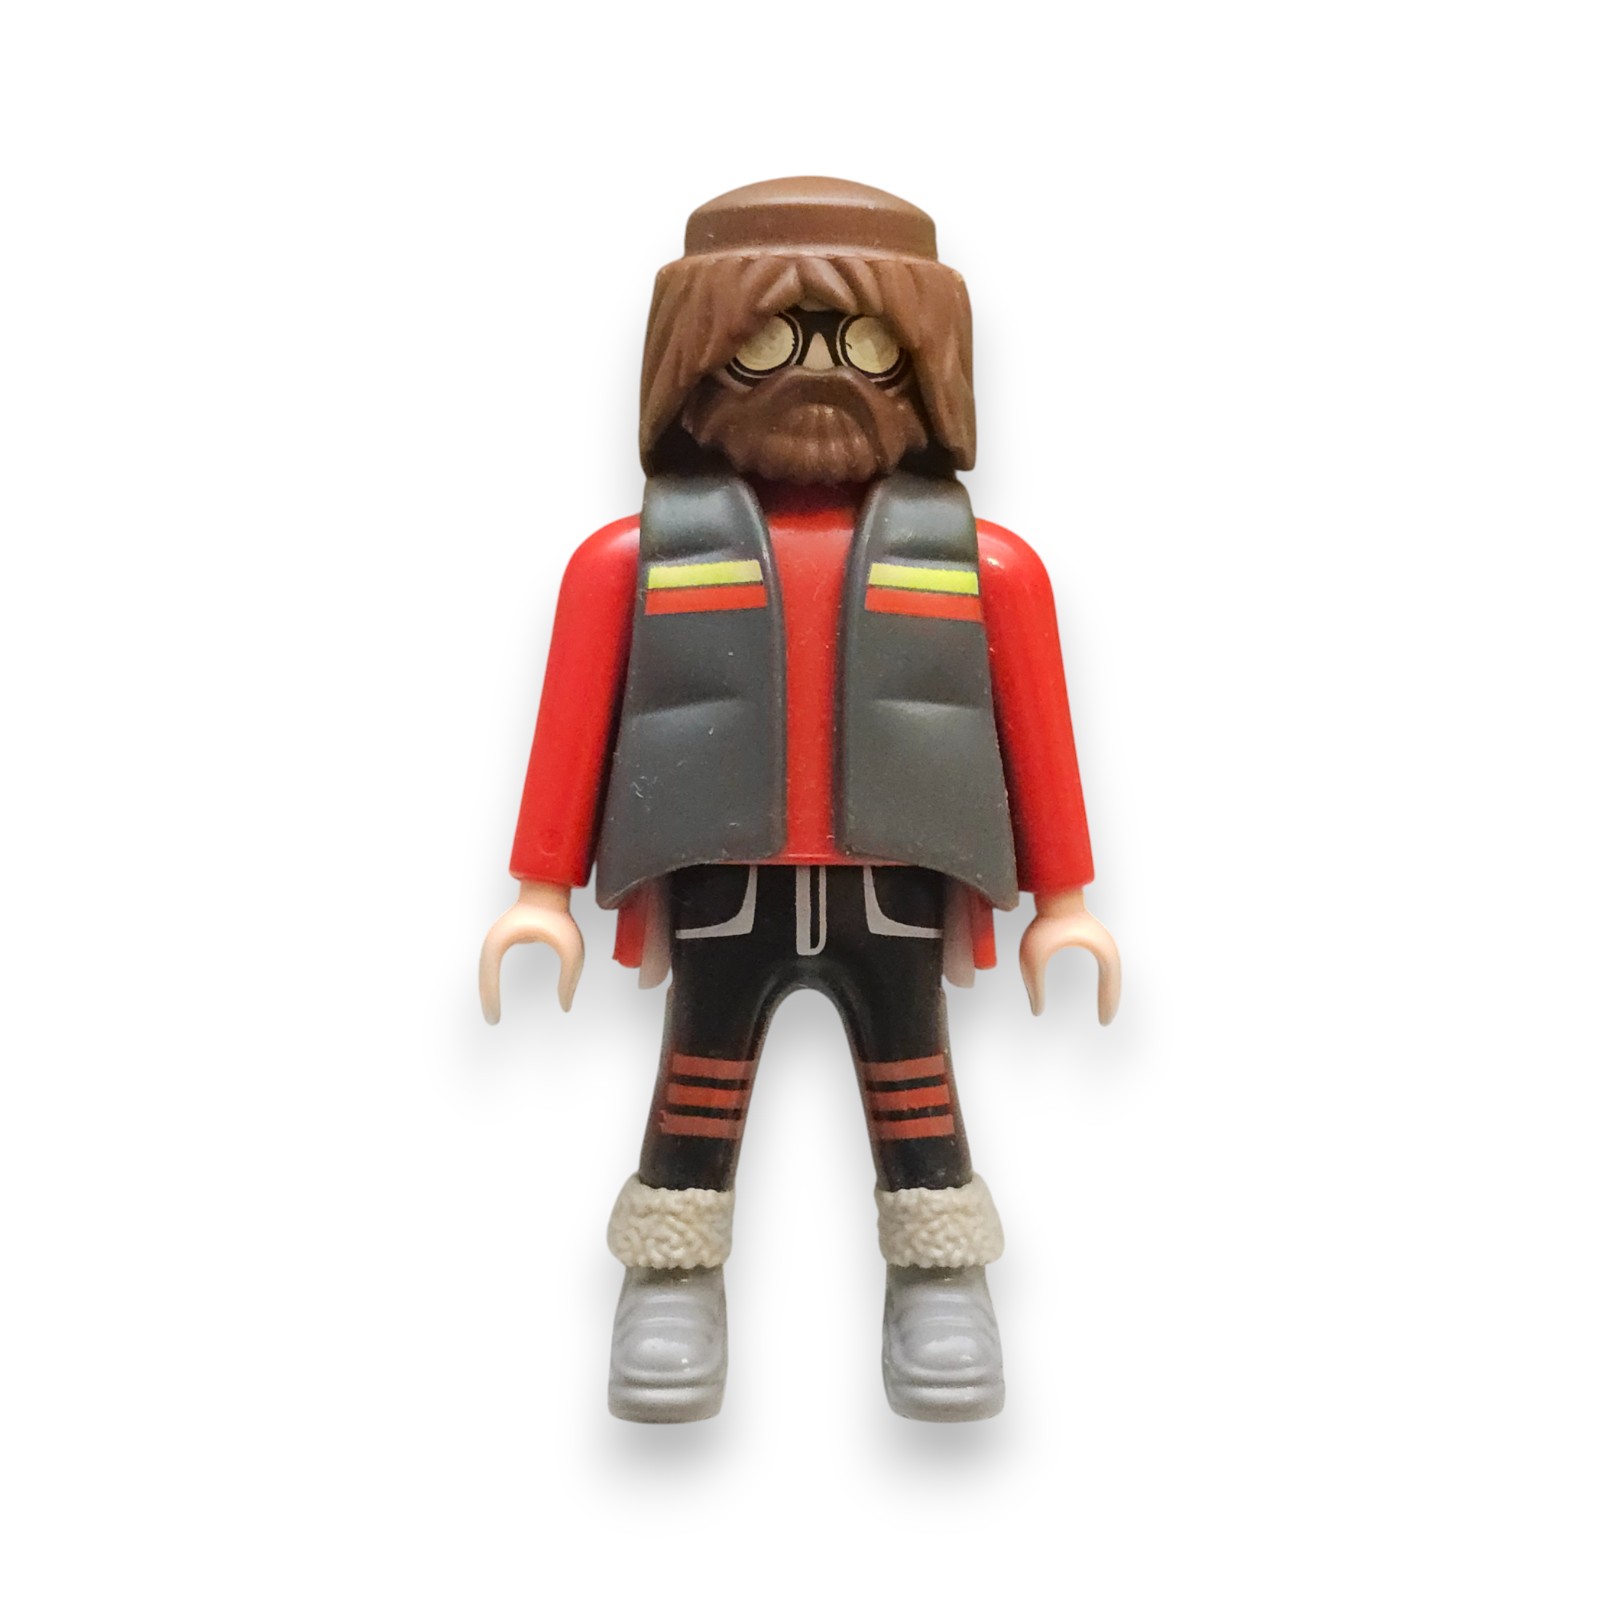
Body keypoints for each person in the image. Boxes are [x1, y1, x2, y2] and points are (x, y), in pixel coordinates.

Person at [480, 176, 1121, 1422]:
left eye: (867, 346)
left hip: (898, 880)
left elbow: (1039, 727)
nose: (816, 376)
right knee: (697, 1079)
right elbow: (573, 718)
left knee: (915, 1081)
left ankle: (938, 1274)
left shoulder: (985, 567)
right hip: (719, 879)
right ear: (691, 363)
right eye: (765, 344)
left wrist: (1065, 902)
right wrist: (539, 889)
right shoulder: (634, 560)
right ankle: (673, 1273)